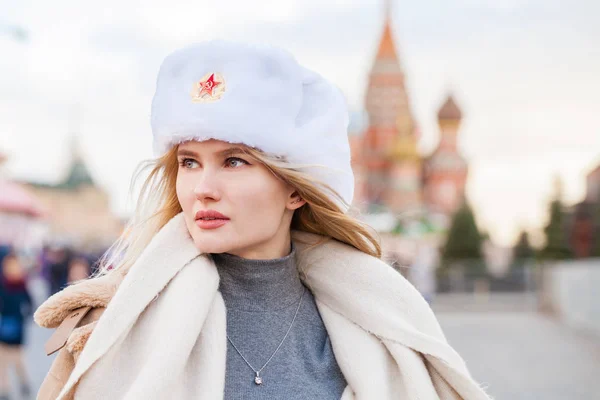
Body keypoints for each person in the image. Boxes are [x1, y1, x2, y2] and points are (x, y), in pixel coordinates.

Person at [34, 41, 492, 399]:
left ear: (296, 188)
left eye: (233, 161)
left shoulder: (385, 322)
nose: (203, 187)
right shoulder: (115, 322)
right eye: (190, 162)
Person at [0, 252, 32, 400]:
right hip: (3, 324)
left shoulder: (22, 283)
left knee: (17, 358)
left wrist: (24, 315)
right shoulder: (2, 283)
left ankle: (24, 382)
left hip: (18, 327)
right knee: (3, 359)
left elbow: (30, 303)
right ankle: (4, 388)